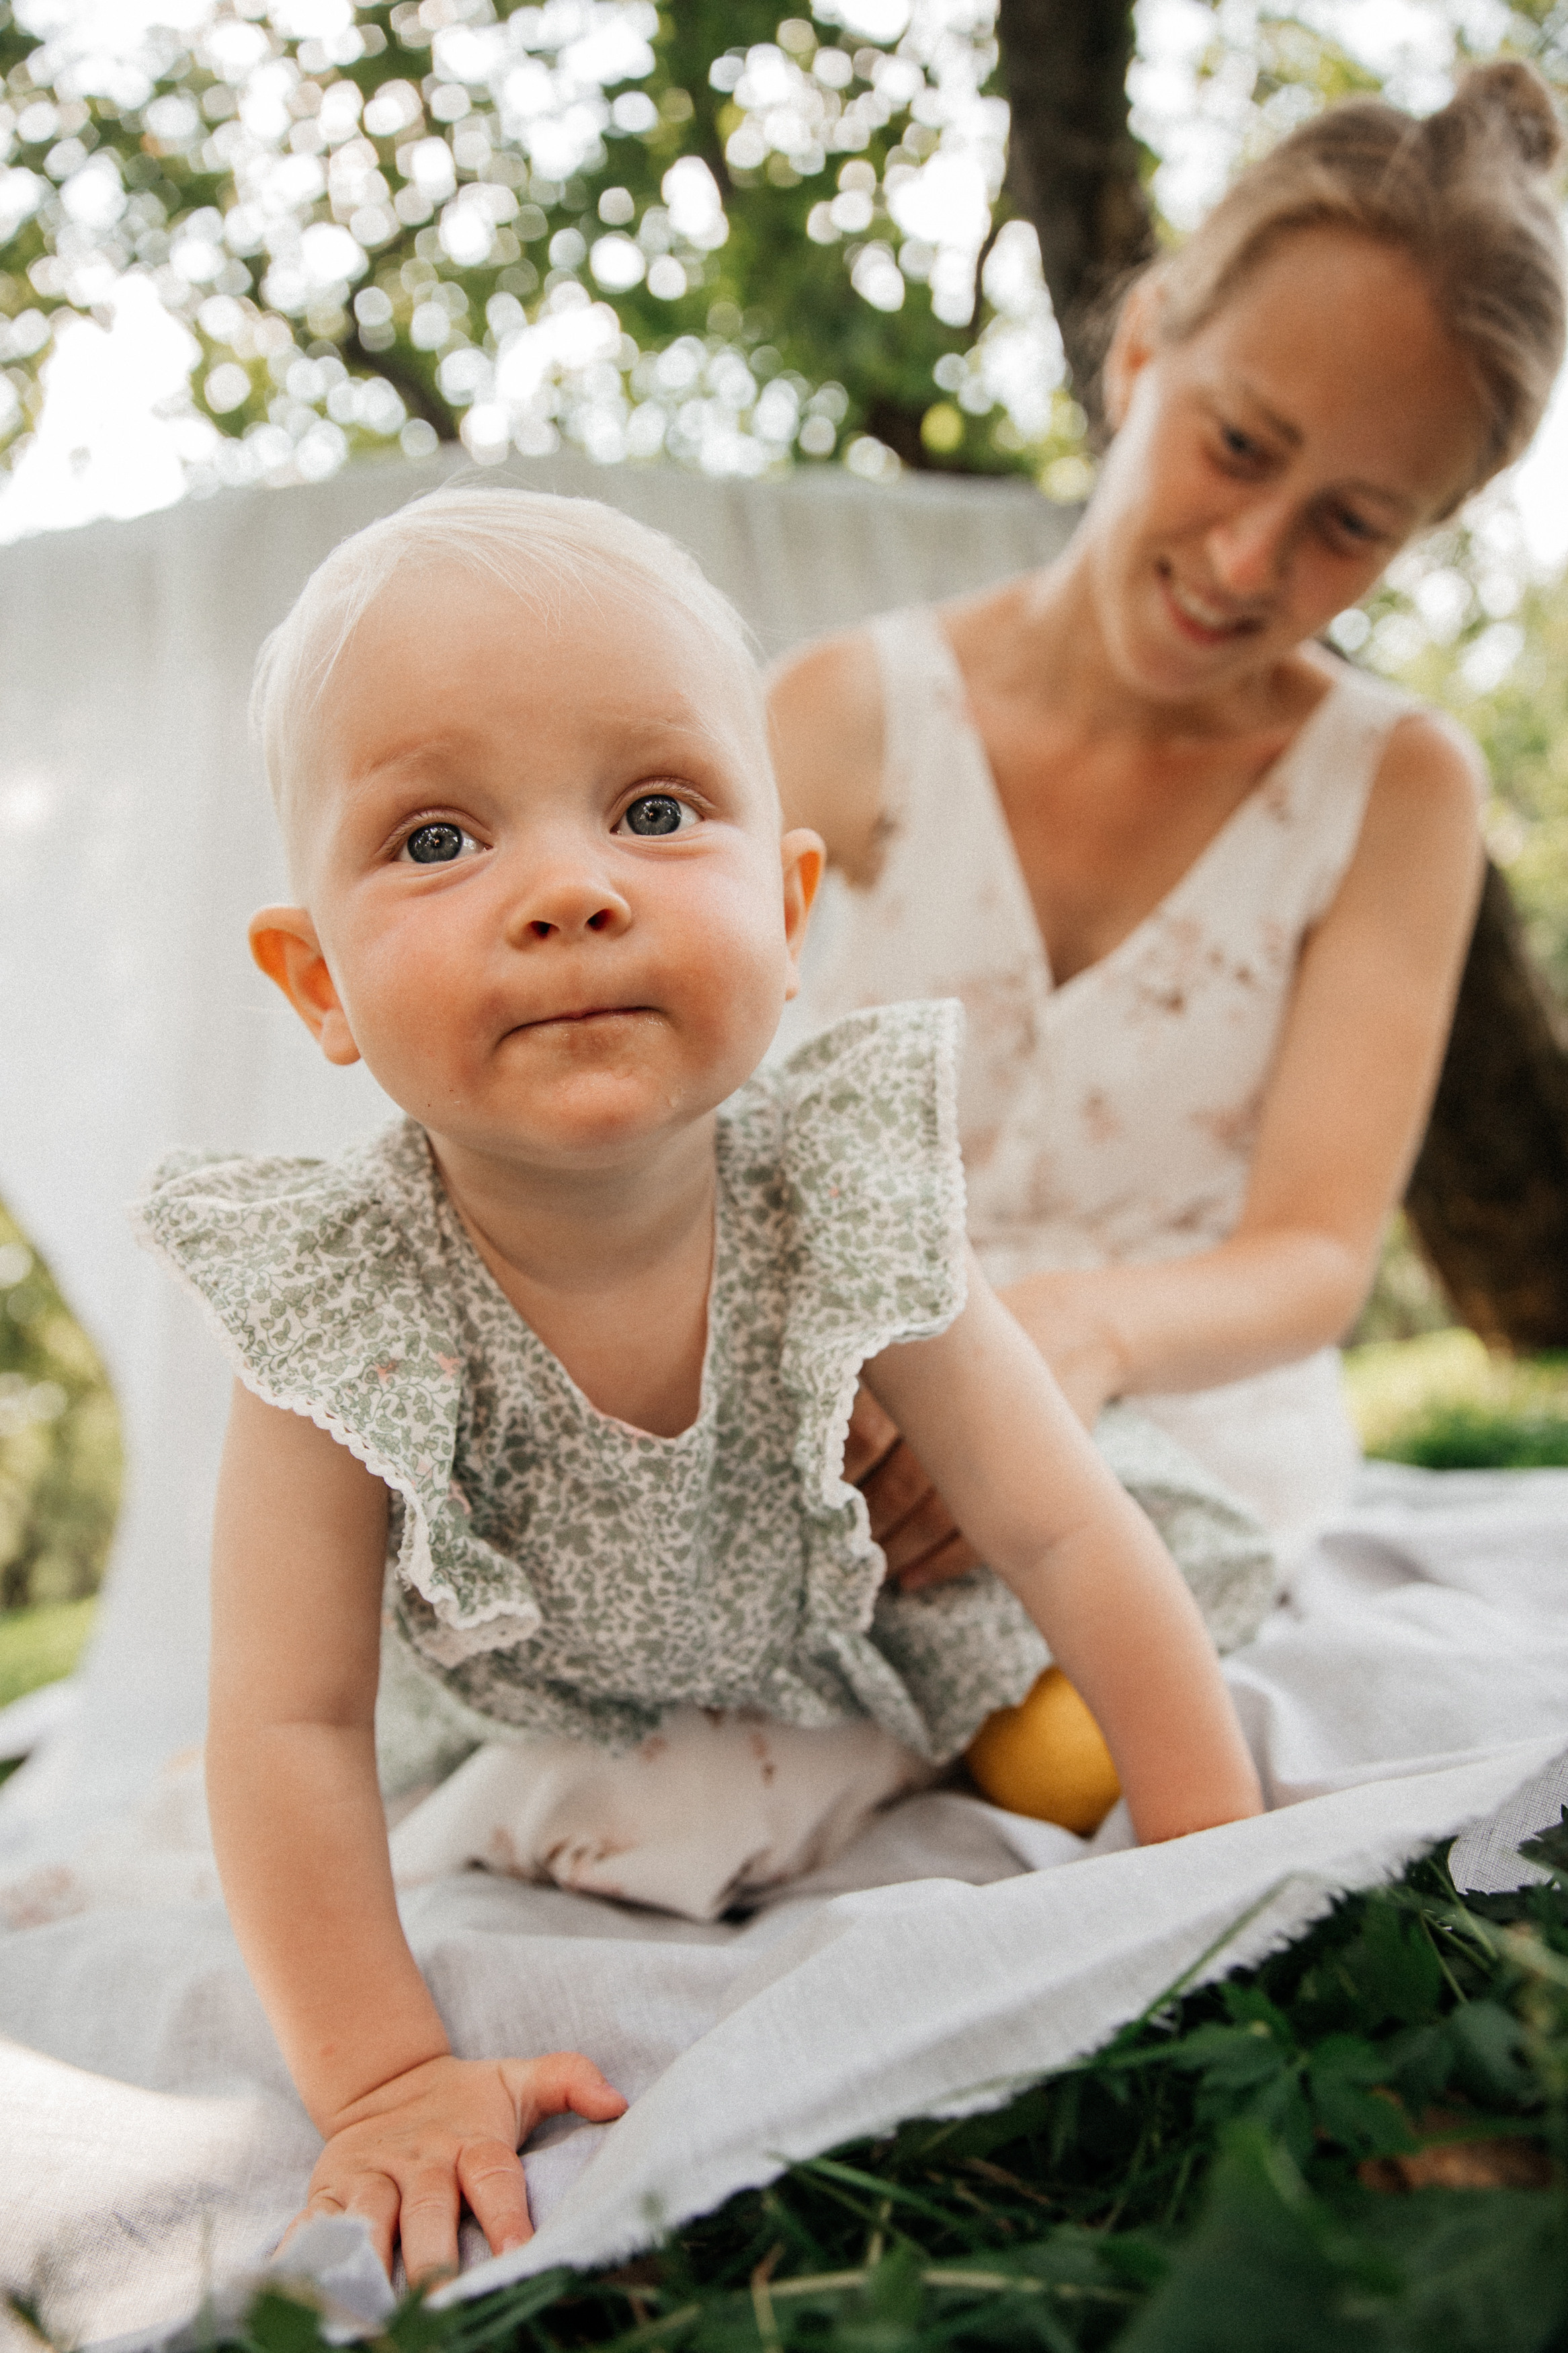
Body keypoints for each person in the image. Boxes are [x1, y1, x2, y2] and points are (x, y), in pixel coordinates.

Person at [134, 488, 1262, 2284]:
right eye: (435, 836)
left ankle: (988, 1741)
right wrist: (388, 2075)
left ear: (790, 905)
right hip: (559, 1680)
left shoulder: (835, 1189)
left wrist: (1214, 1858)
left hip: (836, 1618)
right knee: (492, 1817)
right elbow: (289, 1721)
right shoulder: (336, 1305)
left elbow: (1058, 1518)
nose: (572, 889)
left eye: (656, 811)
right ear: (315, 980)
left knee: (1056, 1728)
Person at [768, 62, 1565, 1569]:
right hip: (836, 1445)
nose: (1254, 559)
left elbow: (1318, 1253)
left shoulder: (1398, 787)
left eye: (1351, 524)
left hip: (1191, 1460)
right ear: (1142, 350)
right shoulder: (839, 719)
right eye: (1243, 445)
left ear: (1424, 532)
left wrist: (1072, 1339)